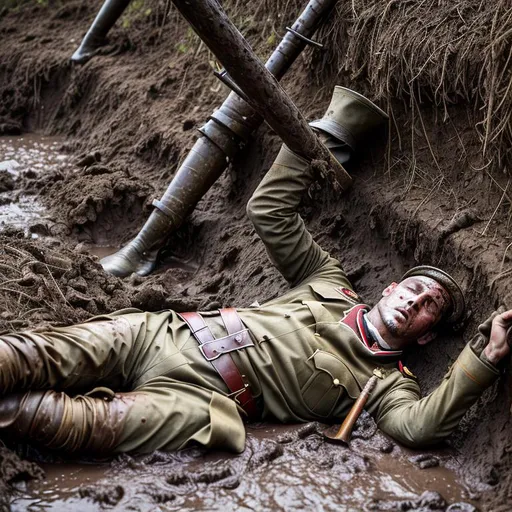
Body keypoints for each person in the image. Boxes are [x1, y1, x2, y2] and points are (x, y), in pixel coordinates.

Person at [0, 88, 510, 456]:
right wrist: (336, 130)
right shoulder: (329, 282)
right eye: (414, 290)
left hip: (199, 401)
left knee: (60, 421)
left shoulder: (385, 385)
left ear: (426, 338)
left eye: (429, 309)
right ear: (391, 287)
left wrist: (483, 357)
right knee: (26, 355)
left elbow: (419, 429)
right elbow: (270, 213)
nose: (414, 303)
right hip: (162, 334)